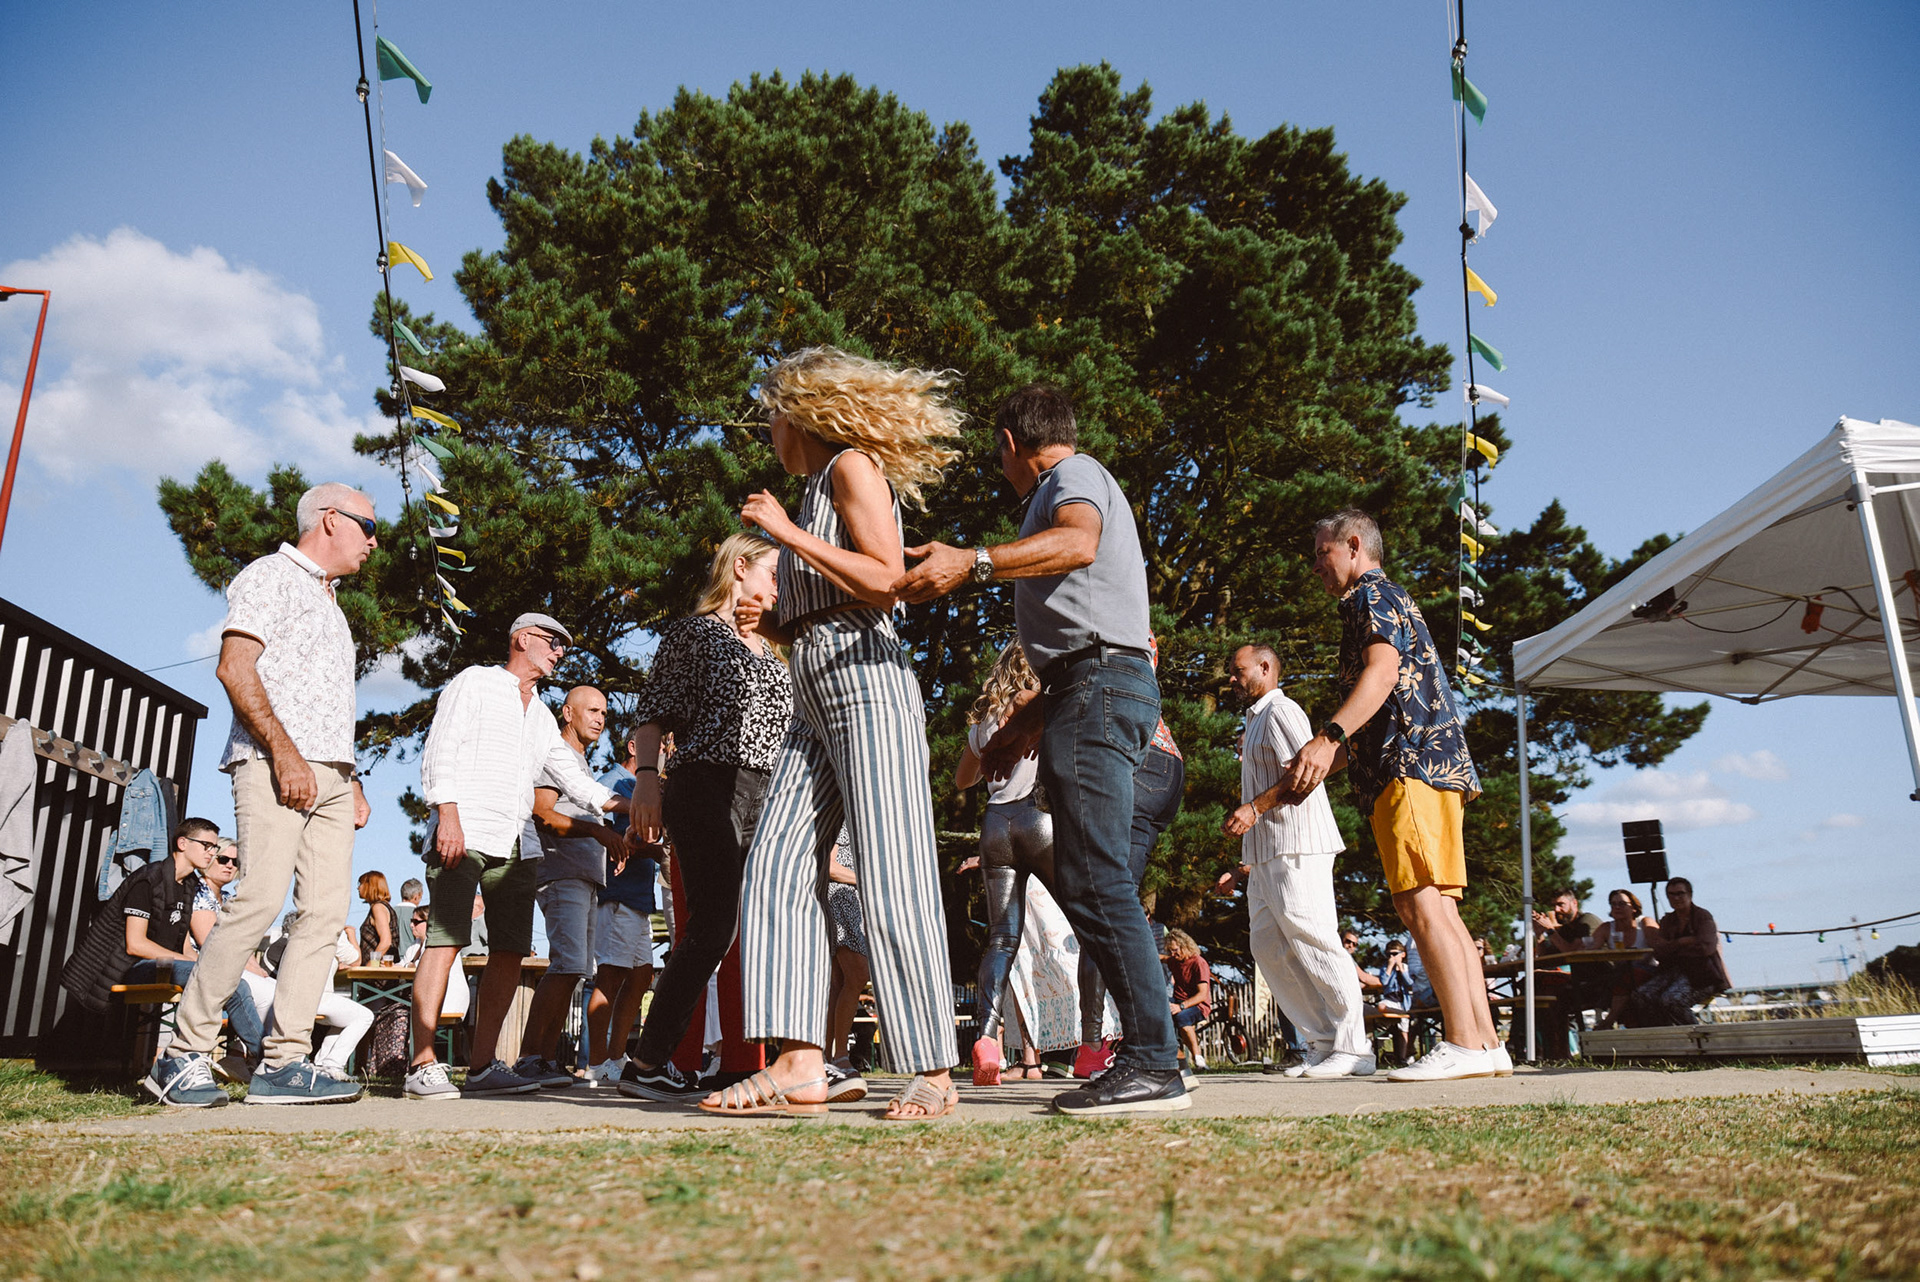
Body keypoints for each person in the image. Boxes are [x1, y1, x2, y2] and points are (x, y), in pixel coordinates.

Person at [896, 383, 1187, 1115]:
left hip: (1097, 689)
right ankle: (1147, 1056)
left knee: (1097, 877)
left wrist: (975, 563)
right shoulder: (1067, 483)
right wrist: (1026, 725)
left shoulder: (1071, 477)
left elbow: (1079, 542)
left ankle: (1153, 1060)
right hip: (1081, 690)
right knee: (1093, 878)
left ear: (1009, 443)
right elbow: (1084, 626)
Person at [709, 347, 962, 1121]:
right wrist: (776, 621)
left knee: (892, 872)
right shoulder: (814, 489)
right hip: (815, 696)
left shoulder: (851, 468)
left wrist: (788, 531)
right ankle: (799, 1064)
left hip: (869, 688)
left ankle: (933, 1068)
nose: (771, 434)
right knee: (775, 867)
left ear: (803, 412)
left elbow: (890, 580)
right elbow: (831, 597)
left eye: (774, 416)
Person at [146, 483, 376, 1107]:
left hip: (330, 774)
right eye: (367, 527)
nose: (375, 542)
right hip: (274, 764)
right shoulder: (270, 575)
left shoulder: (332, 603)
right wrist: (286, 755)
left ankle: (284, 1064)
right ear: (330, 519)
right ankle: (182, 1054)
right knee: (258, 904)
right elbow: (235, 668)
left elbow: (322, 701)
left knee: (325, 917)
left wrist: (347, 778)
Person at [1276, 508, 1505, 1082]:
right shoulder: (1388, 598)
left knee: (1421, 902)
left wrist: (1328, 738)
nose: (1315, 568)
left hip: (1410, 764)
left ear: (1354, 546)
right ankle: (1484, 1041)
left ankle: (1463, 1043)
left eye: (1321, 554)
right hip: (1428, 763)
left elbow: (1381, 675)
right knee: (1436, 905)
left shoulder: (1370, 597)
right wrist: (1329, 760)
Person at [405, 613, 627, 1101]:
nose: (560, 652)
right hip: (464, 832)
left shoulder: (544, 715)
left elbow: (575, 779)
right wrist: (447, 814)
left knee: (510, 950)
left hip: (518, 844)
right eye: (553, 642)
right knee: (445, 943)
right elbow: (439, 747)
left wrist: (629, 804)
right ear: (522, 639)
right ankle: (421, 1064)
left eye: (564, 646)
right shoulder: (476, 683)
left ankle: (483, 1068)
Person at [615, 533, 792, 1103]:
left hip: (769, 790)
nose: (779, 583)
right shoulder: (694, 633)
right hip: (704, 783)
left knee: (768, 925)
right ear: (740, 568)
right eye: (773, 571)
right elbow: (654, 713)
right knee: (713, 925)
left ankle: (779, 1060)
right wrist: (646, 779)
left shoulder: (777, 644)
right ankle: (646, 1063)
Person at [1219, 643, 1372, 1079]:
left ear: (1265, 668)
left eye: (1238, 669)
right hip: (1266, 851)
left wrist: (1253, 809)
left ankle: (1353, 1046)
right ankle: (1323, 1043)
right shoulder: (1255, 719)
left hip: (1299, 844)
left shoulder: (1281, 711)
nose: (1232, 678)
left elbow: (1304, 776)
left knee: (1316, 939)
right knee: (1268, 946)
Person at [1072, 634, 1186, 1081]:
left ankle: (1098, 1047)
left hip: (1139, 762)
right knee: (1120, 900)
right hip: (1166, 763)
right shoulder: (1132, 626)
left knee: (1100, 900)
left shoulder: (1102, 626)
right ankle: (1161, 1048)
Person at [515, 685, 633, 1088]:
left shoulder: (580, 763)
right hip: (560, 873)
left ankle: (546, 1060)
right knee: (565, 965)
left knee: (576, 969)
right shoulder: (555, 757)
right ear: (567, 713)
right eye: (592, 710)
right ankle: (530, 1056)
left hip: (584, 877)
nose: (600, 718)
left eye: (604, 712)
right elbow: (542, 814)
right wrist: (598, 834)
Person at [955, 641, 1056, 1088]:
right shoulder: (1044, 704)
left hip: (996, 823)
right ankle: (1109, 1042)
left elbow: (963, 780)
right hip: (1040, 818)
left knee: (1000, 940)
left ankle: (986, 1038)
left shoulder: (983, 720)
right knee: (1091, 919)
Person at [584, 724, 661, 1086]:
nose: (663, 754)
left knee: (642, 975)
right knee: (611, 976)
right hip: (618, 894)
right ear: (634, 747)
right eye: (659, 747)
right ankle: (596, 1062)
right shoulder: (614, 783)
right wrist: (664, 850)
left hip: (640, 898)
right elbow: (617, 838)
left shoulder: (643, 788)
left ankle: (617, 1055)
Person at [186, 836, 267, 1080]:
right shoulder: (199, 893)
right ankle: (261, 1059)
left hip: (232, 966)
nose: (230, 865)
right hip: (207, 966)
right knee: (263, 992)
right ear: (209, 860)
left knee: (273, 988)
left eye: (235, 861)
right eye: (223, 859)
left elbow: (243, 945)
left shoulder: (229, 899)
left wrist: (257, 968)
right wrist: (252, 969)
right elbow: (210, 943)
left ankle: (238, 1058)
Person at [1629, 878, 1731, 1026]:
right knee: (1641, 995)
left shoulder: (1702, 916)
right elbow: (1660, 952)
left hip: (1702, 975)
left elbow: (1706, 948)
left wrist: (1673, 947)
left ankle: (1698, 1037)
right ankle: (1665, 1035)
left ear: (1690, 894)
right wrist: (1683, 942)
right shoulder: (1668, 920)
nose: (1676, 898)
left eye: (1680, 893)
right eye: (1671, 894)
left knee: (1672, 1000)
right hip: (1673, 972)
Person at [822, 829, 872, 1101]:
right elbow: (830, 868)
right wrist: (870, 881)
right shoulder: (840, 815)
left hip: (852, 898)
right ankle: (839, 1055)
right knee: (856, 976)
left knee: (840, 983)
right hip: (840, 896)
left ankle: (831, 1057)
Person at [1588, 889, 1659, 1029]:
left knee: (1626, 976)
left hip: (1648, 970)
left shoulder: (1644, 923)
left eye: (1621, 904)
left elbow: (1658, 947)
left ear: (1633, 907)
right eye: (1613, 904)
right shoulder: (1607, 927)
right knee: (1612, 976)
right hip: (1621, 972)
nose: (1617, 907)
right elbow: (1591, 948)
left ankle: (1609, 1019)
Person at [1163, 930, 1212, 1070]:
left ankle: (1198, 1058)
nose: (1173, 954)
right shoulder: (1174, 960)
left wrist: (1181, 1006)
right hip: (1178, 1001)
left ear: (1185, 946)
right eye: (1170, 951)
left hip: (1198, 1005)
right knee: (1157, 1007)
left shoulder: (1198, 963)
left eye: (1175, 950)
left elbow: (1202, 995)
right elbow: (1162, 958)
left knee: (1181, 1017)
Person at [1373, 940, 1415, 1064]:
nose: (1392, 957)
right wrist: (1390, 967)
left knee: (1404, 1030)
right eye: (1389, 955)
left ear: (1402, 954)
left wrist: (1401, 969)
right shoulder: (1385, 968)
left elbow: (1410, 983)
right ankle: (1400, 1013)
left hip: (1403, 1002)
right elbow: (1384, 982)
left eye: (1395, 954)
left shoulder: (1406, 968)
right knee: (1380, 1006)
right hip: (1390, 1000)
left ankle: (1402, 1058)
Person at [356, 871, 404, 966]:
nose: (358, 887)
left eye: (360, 883)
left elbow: (386, 941)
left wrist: (370, 965)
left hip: (378, 974)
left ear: (370, 886)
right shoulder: (382, 907)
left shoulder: (378, 908)